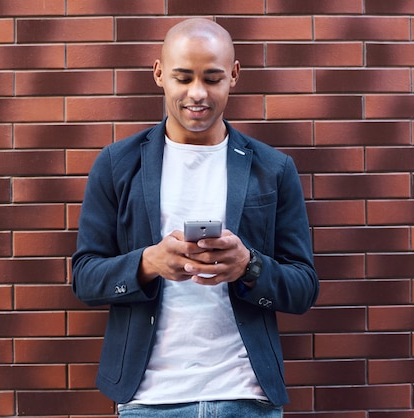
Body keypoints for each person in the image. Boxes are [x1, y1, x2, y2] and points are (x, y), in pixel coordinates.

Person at [71, 18, 319, 418]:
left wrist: (248, 266)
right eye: (183, 78)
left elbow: (303, 288)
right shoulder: (118, 164)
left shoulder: (272, 168)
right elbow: (85, 278)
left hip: (246, 394)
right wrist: (147, 263)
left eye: (213, 78)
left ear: (234, 76)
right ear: (159, 74)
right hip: (149, 399)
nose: (197, 93)